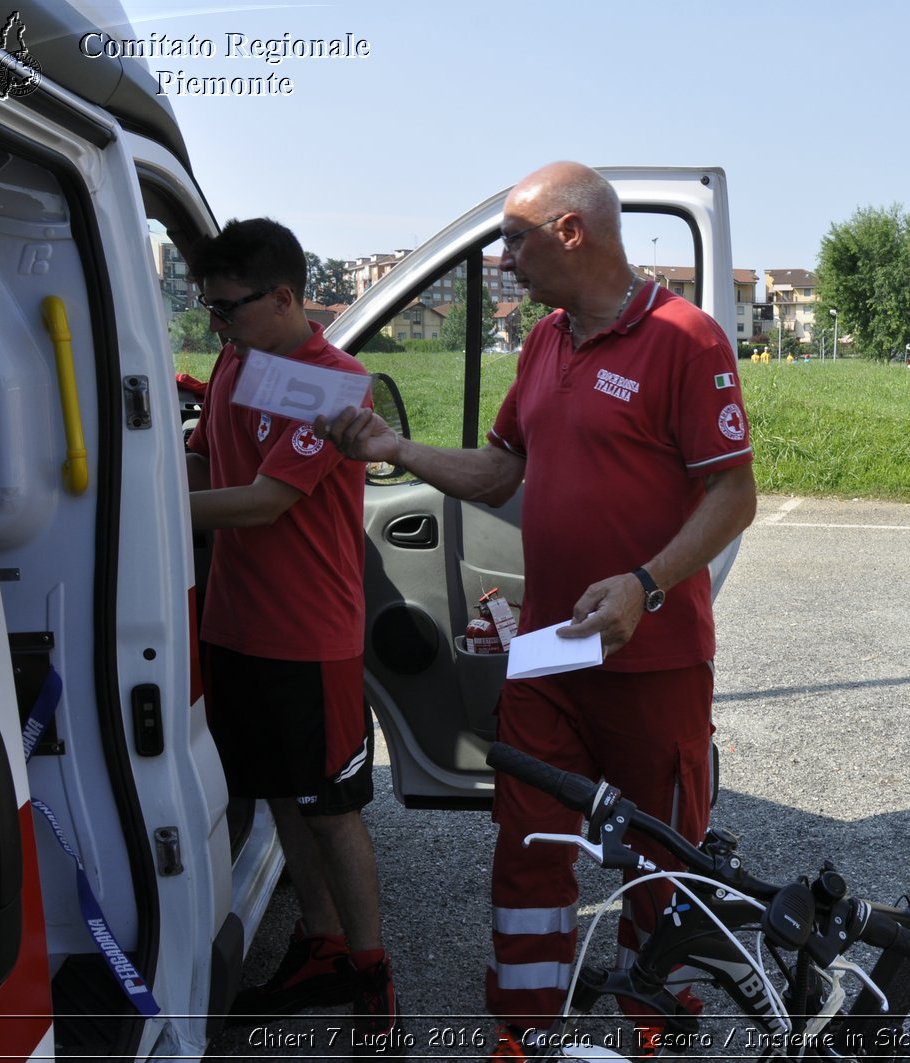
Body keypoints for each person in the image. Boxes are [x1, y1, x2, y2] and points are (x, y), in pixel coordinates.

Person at [316, 162, 757, 1051]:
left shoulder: (686, 338)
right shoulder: (546, 342)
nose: (505, 260)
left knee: (657, 863)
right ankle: (526, 1032)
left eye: (515, 238)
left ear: (570, 232)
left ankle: (652, 1027)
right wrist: (392, 446)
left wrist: (647, 584)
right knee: (527, 852)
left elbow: (734, 494)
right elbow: (500, 468)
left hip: (653, 657)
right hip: (554, 653)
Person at [185, 219, 401, 1052]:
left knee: (332, 807)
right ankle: (320, 945)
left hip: (308, 637)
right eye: (209, 311)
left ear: (284, 297)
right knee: (279, 794)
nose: (219, 326)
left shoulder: (336, 384)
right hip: (234, 626)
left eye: (229, 309)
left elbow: (266, 500)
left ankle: (374, 981)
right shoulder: (240, 359)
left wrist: (138, 509)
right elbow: (209, 465)